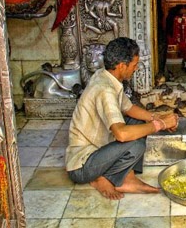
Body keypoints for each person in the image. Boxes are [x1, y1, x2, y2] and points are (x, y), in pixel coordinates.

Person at [66, 37, 179, 200]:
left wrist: (157, 117)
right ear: (121, 66)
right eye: (134, 65)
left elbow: (129, 108)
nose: (136, 69)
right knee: (134, 142)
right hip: (82, 166)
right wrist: (160, 124)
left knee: (139, 124)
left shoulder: (105, 76)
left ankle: (127, 177)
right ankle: (104, 178)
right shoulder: (105, 89)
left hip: (97, 151)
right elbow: (122, 134)